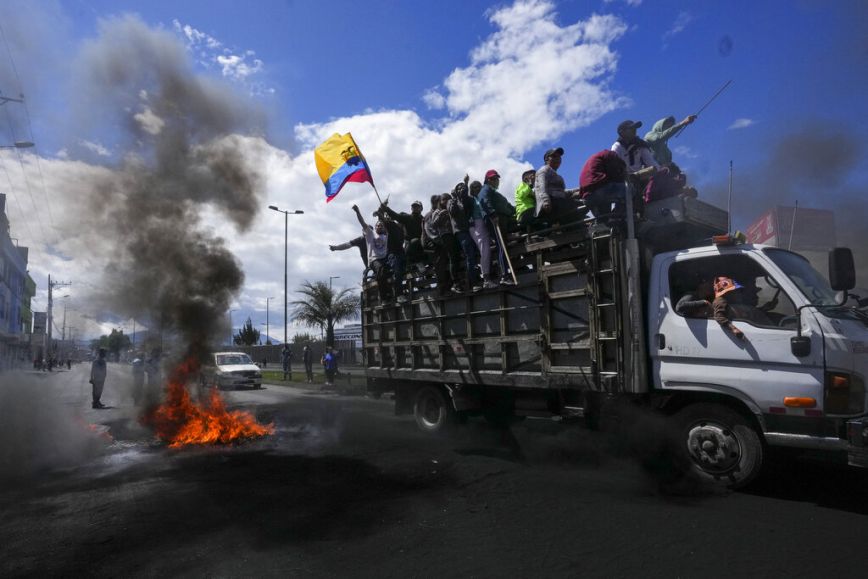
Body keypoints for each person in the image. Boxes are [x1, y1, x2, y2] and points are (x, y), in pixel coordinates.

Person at [353, 204, 406, 303]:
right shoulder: (371, 234)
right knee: (381, 271)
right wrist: (357, 212)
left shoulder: (387, 236)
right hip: (375, 260)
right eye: (378, 225)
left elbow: (389, 225)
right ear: (375, 227)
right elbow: (362, 223)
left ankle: (393, 291)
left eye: (381, 225)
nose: (379, 226)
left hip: (385, 258)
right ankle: (385, 297)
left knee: (394, 270)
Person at [478, 169, 516, 285]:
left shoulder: (497, 194)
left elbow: (510, 207)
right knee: (501, 245)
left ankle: (505, 274)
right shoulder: (486, 189)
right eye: (493, 179)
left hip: (504, 219)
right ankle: (504, 275)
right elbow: (483, 200)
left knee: (504, 244)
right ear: (488, 180)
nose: (496, 181)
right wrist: (492, 213)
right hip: (495, 219)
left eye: (497, 178)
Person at [534, 147, 584, 225]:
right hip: (551, 203)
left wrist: (579, 190)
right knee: (574, 205)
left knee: (583, 204)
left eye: (559, 157)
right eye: (554, 156)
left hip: (559, 201)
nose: (557, 159)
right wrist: (546, 202)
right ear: (547, 159)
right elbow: (542, 188)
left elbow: (561, 191)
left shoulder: (556, 175)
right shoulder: (543, 170)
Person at [423, 193, 459, 296]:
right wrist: (441, 242)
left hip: (443, 242)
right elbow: (430, 231)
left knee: (450, 261)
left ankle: (451, 286)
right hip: (435, 245)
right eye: (438, 201)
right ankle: (442, 289)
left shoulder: (444, 212)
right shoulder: (430, 215)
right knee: (440, 265)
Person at [449, 182, 482, 291]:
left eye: (463, 188)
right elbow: (452, 212)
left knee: (477, 251)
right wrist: (454, 198)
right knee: (470, 255)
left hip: (470, 229)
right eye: (458, 188)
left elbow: (469, 203)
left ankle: (478, 277)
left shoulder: (468, 200)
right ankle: (473, 283)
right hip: (461, 231)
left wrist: (466, 184)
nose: (461, 189)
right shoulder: (452, 201)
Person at [578, 149, 628, 221]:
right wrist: (623, 176)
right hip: (599, 191)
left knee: (604, 219)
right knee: (631, 190)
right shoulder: (612, 155)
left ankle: (609, 222)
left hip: (587, 197)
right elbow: (615, 174)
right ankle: (621, 216)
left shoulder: (598, 157)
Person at [467, 180, 498, 289]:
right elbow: (463, 198)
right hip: (476, 224)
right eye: (474, 187)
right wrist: (465, 182)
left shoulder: (481, 197)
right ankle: (486, 278)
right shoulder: (470, 200)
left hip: (485, 223)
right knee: (484, 249)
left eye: (479, 187)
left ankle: (491, 273)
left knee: (489, 248)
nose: (477, 189)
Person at [381, 200, 425, 268]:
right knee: (415, 241)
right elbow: (396, 216)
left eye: (417, 206)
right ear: (411, 208)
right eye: (413, 206)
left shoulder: (424, 220)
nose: (415, 208)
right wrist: (387, 209)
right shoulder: (407, 217)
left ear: (421, 208)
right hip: (410, 248)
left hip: (421, 247)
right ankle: (418, 262)